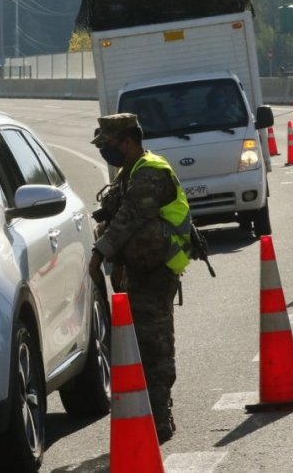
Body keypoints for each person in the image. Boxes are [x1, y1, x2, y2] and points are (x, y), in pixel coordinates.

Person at [87, 112, 193, 443]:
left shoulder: (149, 173)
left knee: (154, 346)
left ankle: (159, 420)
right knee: (138, 347)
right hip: (137, 271)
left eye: (108, 144)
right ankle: (151, 415)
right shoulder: (129, 172)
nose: (105, 151)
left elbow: (131, 217)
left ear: (128, 142)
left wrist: (99, 252)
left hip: (156, 270)